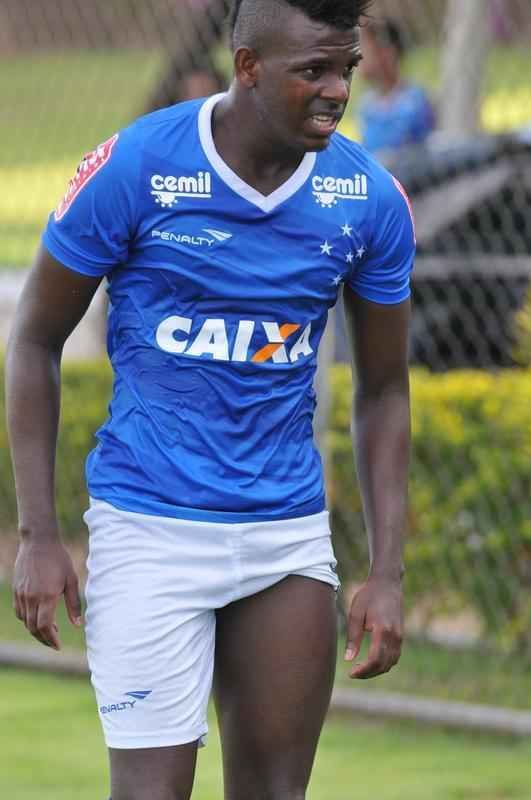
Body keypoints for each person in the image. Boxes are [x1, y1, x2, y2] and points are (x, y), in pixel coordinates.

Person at [6, 1, 414, 799]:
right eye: (313, 72)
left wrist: (387, 571)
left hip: (284, 538)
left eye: (346, 70)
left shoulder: (366, 198)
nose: (336, 91)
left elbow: (384, 387)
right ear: (247, 66)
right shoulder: (137, 167)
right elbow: (32, 343)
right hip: (148, 532)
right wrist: (38, 534)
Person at [357, 17, 436, 158]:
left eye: (365, 50)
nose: (358, 58)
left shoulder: (415, 102)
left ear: (388, 53)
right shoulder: (367, 105)